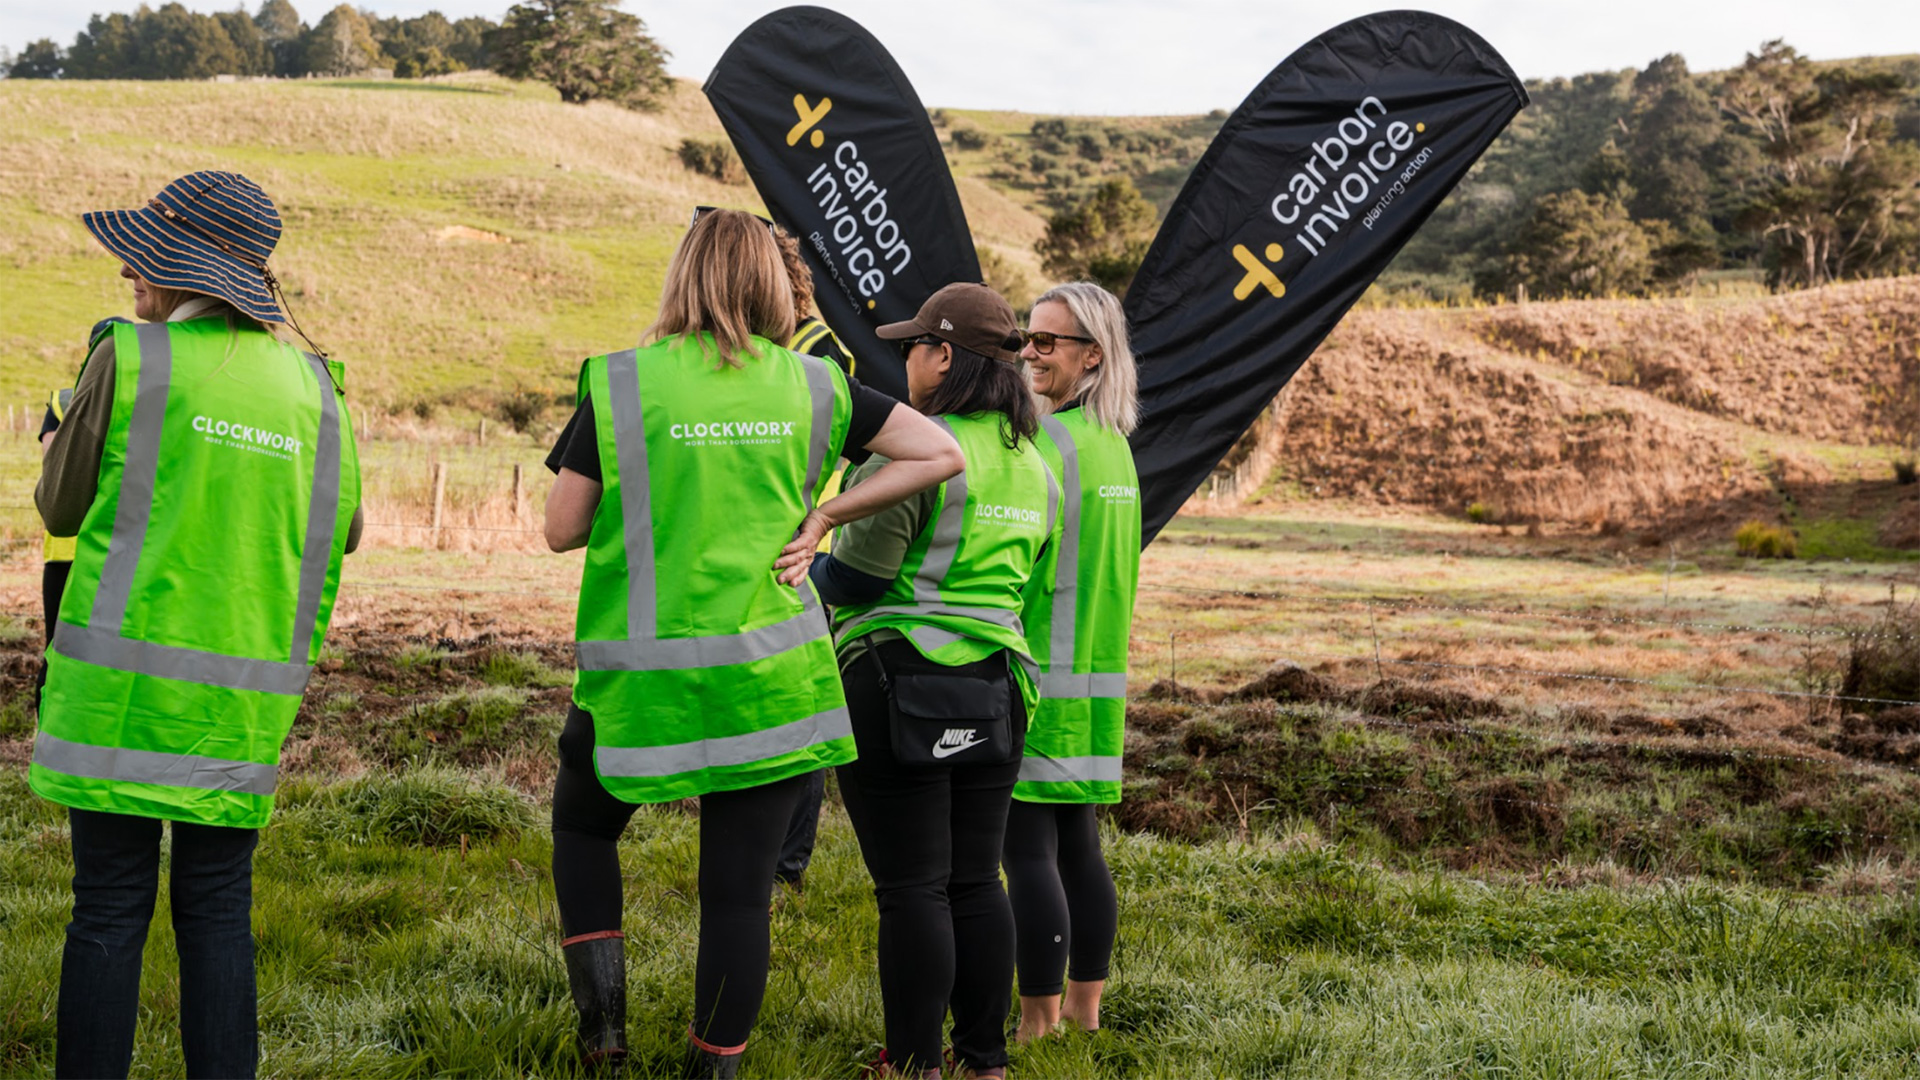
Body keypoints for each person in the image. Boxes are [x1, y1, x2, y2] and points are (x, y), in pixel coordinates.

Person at [540, 207, 962, 1078]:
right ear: (773, 283)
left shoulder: (620, 383)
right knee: (737, 893)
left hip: (640, 682)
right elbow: (940, 452)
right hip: (772, 684)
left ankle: (604, 1043)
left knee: (584, 832)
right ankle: (713, 1071)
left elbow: (561, 528)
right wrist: (830, 512)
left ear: (681, 277)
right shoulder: (814, 386)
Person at [31, 170, 364, 1080]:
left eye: (145, 252)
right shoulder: (318, 388)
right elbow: (347, 527)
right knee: (218, 910)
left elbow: (59, 504)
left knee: (107, 911)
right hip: (242, 704)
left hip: (120, 698)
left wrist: (60, 439)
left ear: (187, 270)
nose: (128, 268)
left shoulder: (130, 358)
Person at [810, 282, 1061, 1079]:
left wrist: (802, 556)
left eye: (915, 344)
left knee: (912, 888)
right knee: (975, 880)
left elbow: (856, 579)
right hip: (998, 691)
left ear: (944, 356)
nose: (906, 357)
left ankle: (912, 1065)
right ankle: (984, 1061)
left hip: (898, 686)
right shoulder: (1038, 469)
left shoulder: (913, 452)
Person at [1003, 282, 1141, 1042]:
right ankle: (1084, 1017)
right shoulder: (1114, 448)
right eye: (1028, 337)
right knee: (1079, 846)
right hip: (1095, 682)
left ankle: (1036, 1024)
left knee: (1026, 849)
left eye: (1048, 341)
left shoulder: (1046, 445)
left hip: (1038, 681)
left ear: (1093, 354)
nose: (1030, 351)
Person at [771, 225, 854, 896]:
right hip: (776, 546)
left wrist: (824, 517)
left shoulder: (814, 349)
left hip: (794, 548)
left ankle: (787, 862)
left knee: (800, 713)